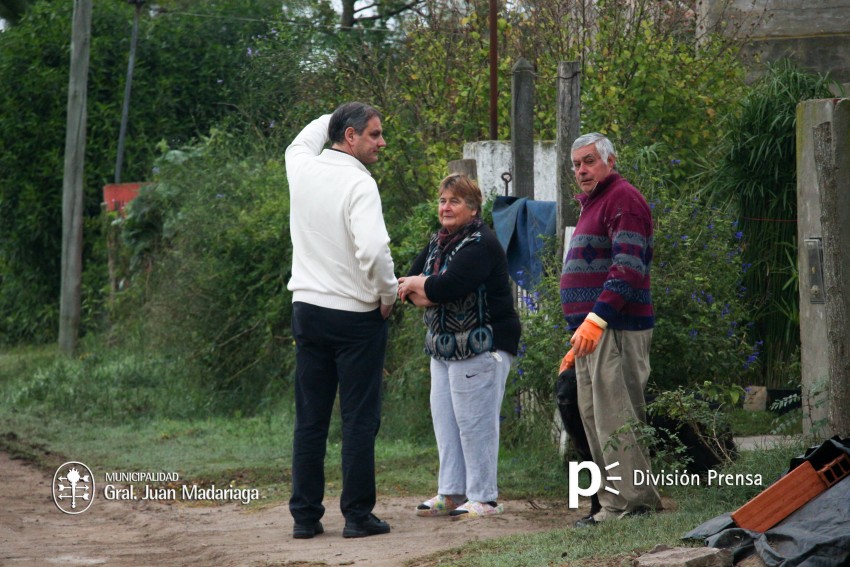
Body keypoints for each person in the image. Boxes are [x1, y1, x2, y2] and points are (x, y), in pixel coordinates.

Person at [285, 102, 398, 539]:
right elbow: (373, 251)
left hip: (307, 311)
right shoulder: (359, 183)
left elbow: (304, 137)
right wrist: (387, 294)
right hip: (355, 316)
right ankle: (357, 516)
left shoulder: (301, 167)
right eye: (374, 134)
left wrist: (337, 113)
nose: (381, 142)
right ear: (349, 137)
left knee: (311, 419)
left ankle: (304, 518)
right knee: (358, 419)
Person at [398, 173, 520, 521]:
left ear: (473, 208)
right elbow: (406, 285)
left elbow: (447, 286)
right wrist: (425, 287)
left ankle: (484, 498)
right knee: (447, 423)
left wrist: (426, 287)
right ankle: (452, 492)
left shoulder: (481, 243)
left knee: (476, 424)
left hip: (482, 347)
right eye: (442, 201)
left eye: (454, 201)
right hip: (443, 349)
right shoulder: (438, 242)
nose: (446, 207)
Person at [559, 133, 662, 527]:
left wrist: (596, 319)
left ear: (610, 161)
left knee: (617, 418)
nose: (581, 170)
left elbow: (628, 267)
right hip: (592, 334)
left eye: (589, 161)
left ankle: (635, 505)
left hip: (615, 329)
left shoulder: (623, 199)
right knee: (595, 418)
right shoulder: (595, 203)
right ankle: (612, 506)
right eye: (576, 164)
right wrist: (580, 334)